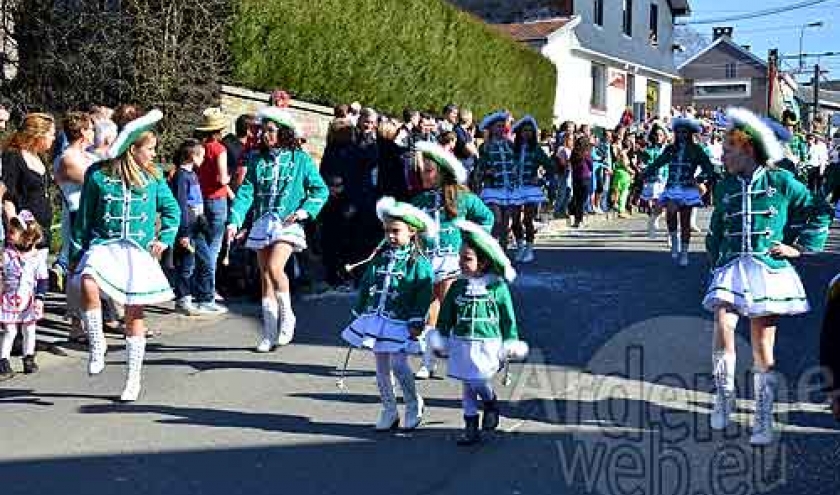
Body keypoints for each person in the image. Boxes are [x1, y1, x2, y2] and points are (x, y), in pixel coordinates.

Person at [704, 107, 832, 445]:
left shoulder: (781, 181)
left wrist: (799, 247)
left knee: (762, 343)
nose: (722, 154)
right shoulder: (725, 185)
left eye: (727, 148)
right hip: (732, 268)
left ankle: (763, 416)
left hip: (768, 272)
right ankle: (725, 394)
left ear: (746, 147)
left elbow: (818, 209)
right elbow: (717, 225)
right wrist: (715, 258)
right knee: (723, 322)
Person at [72, 109, 180, 402]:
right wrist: (76, 251)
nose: (154, 155)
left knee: (134, 315)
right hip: (104, 245)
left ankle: (133, 379)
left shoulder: (154, 176)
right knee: (87, 282)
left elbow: (173, 211)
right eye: (150, 149)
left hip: (137, 251)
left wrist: (164, 239)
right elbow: (84, 216)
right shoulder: (98, 174)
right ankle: (98, 343)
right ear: (133, 148)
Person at [228, 108, 328, 352]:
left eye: (271, 131)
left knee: (275, 268)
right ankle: (269, 333)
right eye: (263, 130)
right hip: (263, 221)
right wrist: (235, 219)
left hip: (288, 222)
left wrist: (304, 212)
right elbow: (246, 192)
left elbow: (320, 190)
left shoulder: (300, 159)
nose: (265, 135)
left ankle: (288, 317)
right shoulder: (255, 159)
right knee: (264, 277)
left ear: (283, 133)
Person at [427, 219, 527, 445]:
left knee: (477, 380)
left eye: (467, 259)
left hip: (487, 343)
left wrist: (510, 341)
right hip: (461, 342)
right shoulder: (458, 287)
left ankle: (490, 400)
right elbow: (446, 314)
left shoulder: (497, 287)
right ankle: (470, 425)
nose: (461, 263)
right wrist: (440, 336)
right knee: (467, 384)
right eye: (460, 258)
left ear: (482, 262)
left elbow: (507, 317)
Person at [339, 197, 435, 430]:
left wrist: (416, 319)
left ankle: (413, 404)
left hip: (401, 322)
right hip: (376, 319)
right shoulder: (379, 258)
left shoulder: (418, 263)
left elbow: (423, 294)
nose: (390, 236)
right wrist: (359, 312)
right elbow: (366, 285)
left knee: (399, 365)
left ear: (411, 231)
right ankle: (389, 409)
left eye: (395, 231)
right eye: (387, 231)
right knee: (381, 367)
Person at [410, 141, 493, 380]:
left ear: (441, 172)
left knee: (444, 304)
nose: (422, 174)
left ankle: (453, 353)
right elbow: (408, 227)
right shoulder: (420, 201)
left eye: (428, 170)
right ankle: (431, 358)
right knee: (432, 305)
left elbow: (485, 217)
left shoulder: (462, 197)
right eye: (422, 170)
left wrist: (473, 241)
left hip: (451, 259)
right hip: (427, 259)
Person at [648, 116, 714, 267]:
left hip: (688, 189)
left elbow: (708, 168)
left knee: (685, 222)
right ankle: (674, 241)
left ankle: (684, 253)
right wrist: (645, 173)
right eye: (679, 132)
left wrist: (698, 180)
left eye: (685, 132)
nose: (682, 135)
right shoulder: (670, 149)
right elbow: (658, 162)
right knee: (671, 213)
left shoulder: (697, 149)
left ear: (690, 133)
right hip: (672, 186)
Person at [194, 108, 233, 315]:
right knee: (213, 249)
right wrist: (230, 181)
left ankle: (198, 290)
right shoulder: (220, 149)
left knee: (201, 246)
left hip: (201, 199)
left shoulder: (200, 148)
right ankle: (207, 295)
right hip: (217, 200)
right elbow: (222, 178)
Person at [0, 211, 48, 379]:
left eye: (12, 232)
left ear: (26, 236)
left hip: (28, 300)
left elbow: (42, 280)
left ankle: (29, 357)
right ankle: (3, 360)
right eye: (8, 231)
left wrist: (40, 298)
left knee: (29, 328)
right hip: (9, 299)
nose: (8, 235)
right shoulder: (6, 255)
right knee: (10, 330)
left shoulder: (36, 258)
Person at [167, 139, 206, 315]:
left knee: (192, 261)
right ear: (192, 155)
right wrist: (183, 231)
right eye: (201, 155)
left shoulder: (192, 174)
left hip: (195, 224)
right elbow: (181, 203)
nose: (203, 159)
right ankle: (183, 297)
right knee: (186, 263)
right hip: (187, 225)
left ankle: (187, 295)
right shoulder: (182, 176)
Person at [510, 115, 554, 261]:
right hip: (515, 187)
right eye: (524, 130)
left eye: (530, 130)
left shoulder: (537, 149)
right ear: (519, 132)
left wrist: (541, 180)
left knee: (527, 220)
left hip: (530, 188)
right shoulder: (513, 149)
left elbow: (551, 166)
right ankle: (520, 246)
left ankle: (529, 249)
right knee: (515, 219)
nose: (527, 133)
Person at [474, 111, 519, 249]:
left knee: (505, 222)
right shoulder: (485, 147)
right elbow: (479, 168)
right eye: (497, 126)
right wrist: (487, 172)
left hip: (509, 187)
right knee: (496, 220)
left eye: (502, 126)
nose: (500, 129)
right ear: (491, 128)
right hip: (492, 188)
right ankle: (491, 251)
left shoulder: (510, 145)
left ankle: (503, 252)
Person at [640, 122, 669, 238]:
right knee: (659, 207)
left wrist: (661, 124)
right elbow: (645, 164)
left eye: (661, 135)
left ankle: (670, 236)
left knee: (670, 209)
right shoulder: (649, 150)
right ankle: (652, 221)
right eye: (656, 135)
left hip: (667, 180)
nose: (658, 137)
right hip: (654, 182)